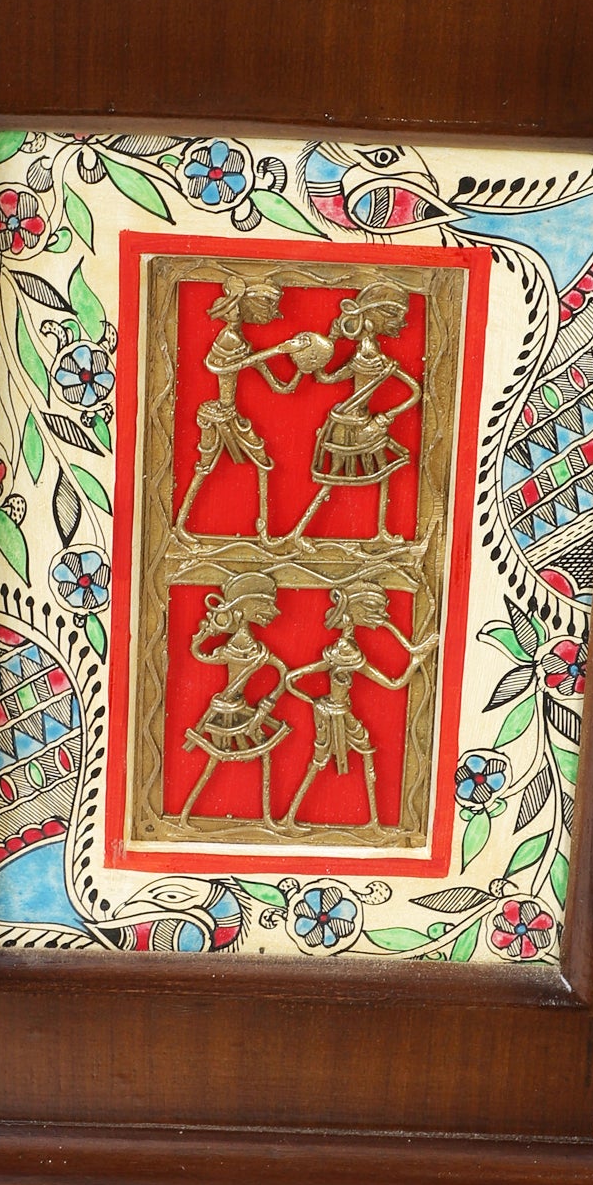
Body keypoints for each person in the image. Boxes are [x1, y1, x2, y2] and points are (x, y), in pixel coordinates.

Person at [277, 582, 437, 829]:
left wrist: (315, 702)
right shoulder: (346, 653)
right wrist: (415, 661)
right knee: (325, 760)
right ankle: (292, 818)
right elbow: (394, 683)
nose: (379, 619)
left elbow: (291, 679)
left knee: (355, 753)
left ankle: (373, 821)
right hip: (331, 713)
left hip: (339, 711)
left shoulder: (348, 651)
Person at [175, 274, 304, 539]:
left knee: (261, 464)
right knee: (205, 468)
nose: (270, 315)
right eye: (266, 308)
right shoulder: (228, 337)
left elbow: (280, 387)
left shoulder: (242, 343)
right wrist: (276, 350)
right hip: (217, 416)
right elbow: (220, 367)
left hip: (232, 416)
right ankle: (180, 526)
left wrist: (303, 367)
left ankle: (264, 534)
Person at [291, 280, 421, 540]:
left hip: (358, 423)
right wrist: (328, 343)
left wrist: (383, 419)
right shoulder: (374, 361)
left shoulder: (373, 360)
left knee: (373, 474)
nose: (402, 324)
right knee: (337, 478)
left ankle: (381, 532)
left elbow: (324, 377)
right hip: (354, 425)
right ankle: (298, 533)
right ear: (374, 320)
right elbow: (414, 391)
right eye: (395, 316)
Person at [174, 572, 291, 823]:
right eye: (264, 604)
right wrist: (206, 632)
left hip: (239, 711)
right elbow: (199, 653)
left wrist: (264, 709)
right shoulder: (237, 650)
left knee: (242, 758)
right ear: (243, 608)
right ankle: (184, 816)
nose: (274, 611)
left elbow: (284, 674)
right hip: (227, 713)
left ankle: (268, 818)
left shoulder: (255, 652)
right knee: (215, 761)